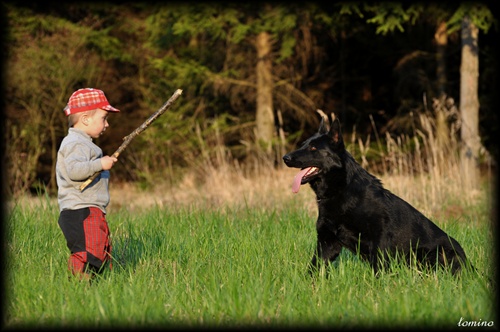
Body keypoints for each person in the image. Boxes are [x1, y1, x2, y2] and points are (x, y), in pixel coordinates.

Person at [56, 88, 120, 280]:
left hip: (89, 209)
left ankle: (94, 285)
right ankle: (76, 282)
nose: (107, 124)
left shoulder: (84, 143)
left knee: (99, 249)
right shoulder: (75, 143)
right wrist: (99, 164)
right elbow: (75, 170)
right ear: (85, 119)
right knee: (88, 251)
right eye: (104, 118)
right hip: (80, 210)